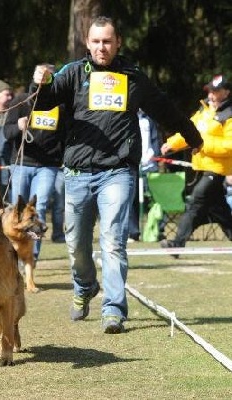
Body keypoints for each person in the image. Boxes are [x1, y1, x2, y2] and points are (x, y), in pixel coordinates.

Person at [30, 16, 203, 333]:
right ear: (87, 43)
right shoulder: (73, 73)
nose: (101, 47)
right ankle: (84, 286)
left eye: (107, 41)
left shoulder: (132, 76)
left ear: (118, 42)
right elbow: (42, 103)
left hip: (118, 171)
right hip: (78, 171)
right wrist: (39, 82)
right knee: (76, 244)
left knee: (113, 241)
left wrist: (193, 137)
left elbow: (164, 108)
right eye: (96, 41)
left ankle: (113, 309)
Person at [160, 75, 232, 251]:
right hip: (201, 167)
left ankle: (177, 244)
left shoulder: (229, 115)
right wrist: (172, 143)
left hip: (217, 170)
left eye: (216, 91)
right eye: (210, 91)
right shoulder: (203, 111)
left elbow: (229, 146)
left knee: (195, 202)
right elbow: (190, 131)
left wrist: (203, 146)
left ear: (227, 92)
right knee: (221, 212)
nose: (212, 94)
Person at [3, 69, 65, 268]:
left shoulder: (61, 104)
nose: (43, 79)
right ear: (34, 77)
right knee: (17, 213)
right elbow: (6, 132)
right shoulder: (21, 100)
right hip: (22, 163)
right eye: (40, 76)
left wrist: (61, 157)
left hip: (48, 166)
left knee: (39, 209)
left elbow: (66, 134)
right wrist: (18, 127)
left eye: (47, 77)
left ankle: (31, 259)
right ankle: (12, 257)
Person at [128, 110, 160, 242]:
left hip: (149, 164)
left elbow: (155, 140)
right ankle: (133, 232)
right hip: (132, 164)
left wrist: (153, 157)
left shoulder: (149, 119)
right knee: (131, 198)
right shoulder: (127, 117)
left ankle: (158, 230)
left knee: (155, 199)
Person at [51, 167, 66, 243]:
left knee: (59, 206)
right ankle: (58, 235)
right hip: (56, 169)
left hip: (68, 169)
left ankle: (58, 235)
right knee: (59, 206)